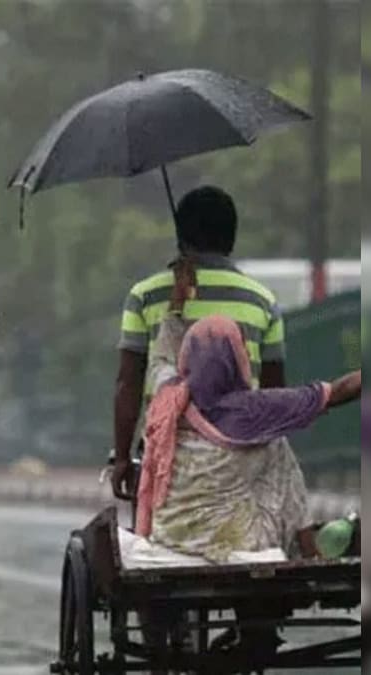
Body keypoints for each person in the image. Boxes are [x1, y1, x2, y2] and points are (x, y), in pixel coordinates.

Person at [137, 280, 361, 560]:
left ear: (188, 358)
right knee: (276, 443)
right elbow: (336, 393)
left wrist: (177, 305)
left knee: (270, 442)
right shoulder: (255, 410)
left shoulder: (167, 398)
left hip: (171, 538)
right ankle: (308, 546)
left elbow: (160, 355)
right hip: (238, 542)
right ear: (236, 358)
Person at [113, 185, 287, 500]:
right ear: (231, 238)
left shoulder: (145, 296)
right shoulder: (263, 302)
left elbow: (129, 382)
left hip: (165, 457)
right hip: (240, 456)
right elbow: (274, 393)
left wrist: (123, 457)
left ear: (181, 235)